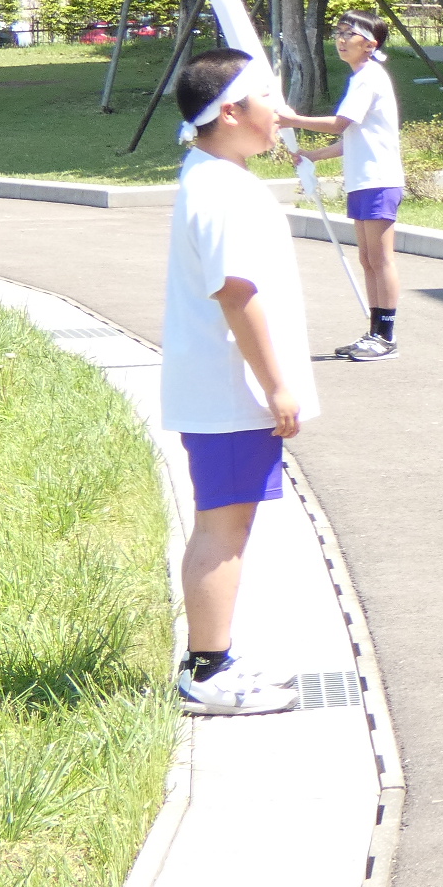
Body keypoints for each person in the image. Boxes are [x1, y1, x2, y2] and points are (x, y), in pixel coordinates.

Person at [165, 48, 314, 715]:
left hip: (223, 389)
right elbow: (235, 292)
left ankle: (216, 655)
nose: (282, 112)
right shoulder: (220, 190)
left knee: (228, 524)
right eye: (269, 99)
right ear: (230, 112)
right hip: (229, 392)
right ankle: (206, 671)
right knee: (222, 529)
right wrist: (277, 385)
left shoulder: (216, 176)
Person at [281, 11, 403, 360]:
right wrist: (312, 155)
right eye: (339, 32)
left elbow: (339, 123)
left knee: (380, 258)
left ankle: (386, 337)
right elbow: (352, 137)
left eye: (349, 33)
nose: (341, 39)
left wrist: (293, 119)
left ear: (371, 44)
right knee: (367, 258)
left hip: (379, 180)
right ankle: (374, 333)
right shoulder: (361, 78)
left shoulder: (369, 77)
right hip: (363, 182)